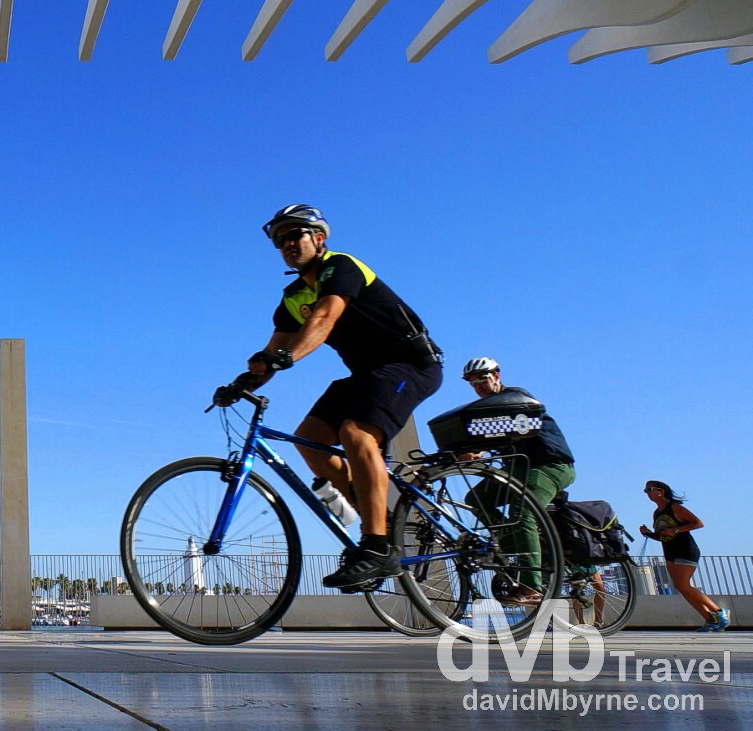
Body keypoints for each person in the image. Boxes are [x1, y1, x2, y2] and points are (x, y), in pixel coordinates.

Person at [227, 204, 443, 592]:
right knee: (309, 439)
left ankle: (376, 547)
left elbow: (324, 320)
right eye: (281, 239)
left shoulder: (340, 266)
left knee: (356, 434)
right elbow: (273, 351)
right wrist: (242, 383)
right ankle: (370, 513)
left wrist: (289, 355)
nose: (288, 243)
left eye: (296, 235)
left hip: (409, 364)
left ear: (319, 239)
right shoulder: (293, 296)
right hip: (364, 376)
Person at [456, 356, 576, 607]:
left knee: (523, 513)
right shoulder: (484, 412)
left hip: (549, 466)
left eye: (482, 379)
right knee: (474, 498)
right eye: (472, 382)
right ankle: (513, 543)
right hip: (518, 471)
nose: (478, 385)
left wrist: (482, 449)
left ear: (496, 376)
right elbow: (478, 436)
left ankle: (531, 587)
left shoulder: (515, 397)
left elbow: (517, 424)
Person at [641, 481, 730, 632]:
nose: (647, 493)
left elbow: (698, 523)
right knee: (680, 587)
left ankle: (719, 612)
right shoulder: (656, 513)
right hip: (670, 552)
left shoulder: (675, 508)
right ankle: (710, 620)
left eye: (649, 489)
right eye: (645, 490)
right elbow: (664, 535)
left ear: (660, 491)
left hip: (685, 550)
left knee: (683, 585)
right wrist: (648, 533)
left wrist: (676, 530)